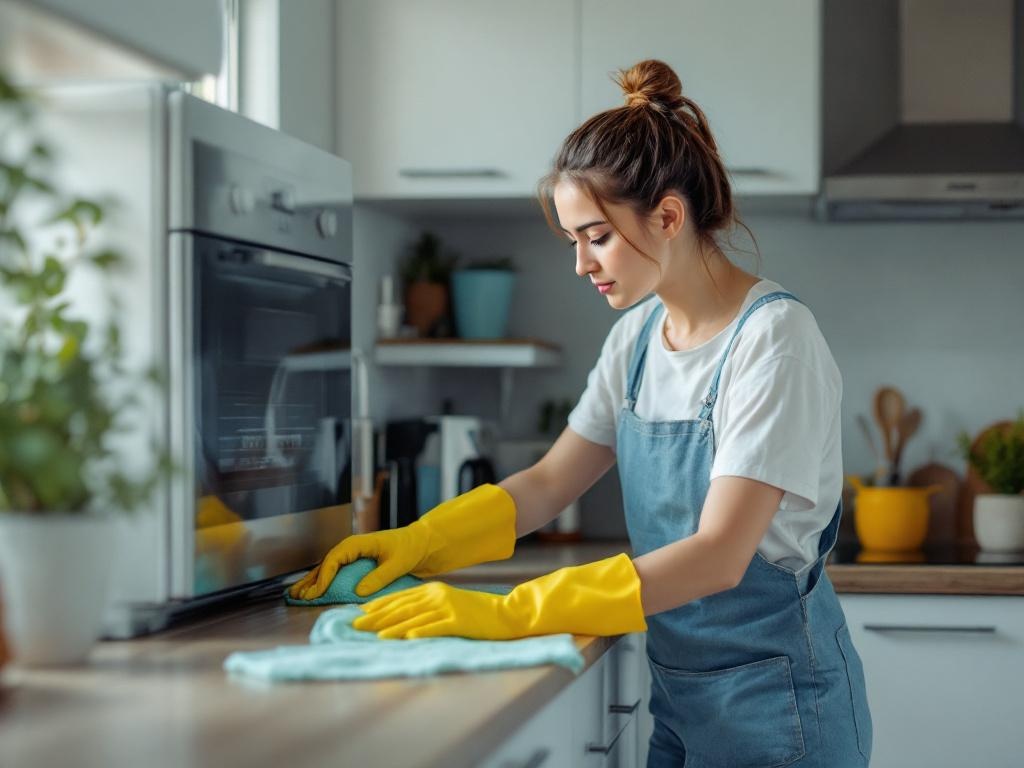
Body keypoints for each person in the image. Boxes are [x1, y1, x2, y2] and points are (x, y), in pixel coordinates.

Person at [290, 59, 872, 767]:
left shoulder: (773, 344)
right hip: (681, 698)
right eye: (574, 242)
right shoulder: (634, 340)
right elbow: (546, 484)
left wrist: (511, 613)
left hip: (779, 712)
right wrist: (417, 541)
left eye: (596, 236)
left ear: (667, 216)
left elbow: (720, 556)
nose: (582, 264)